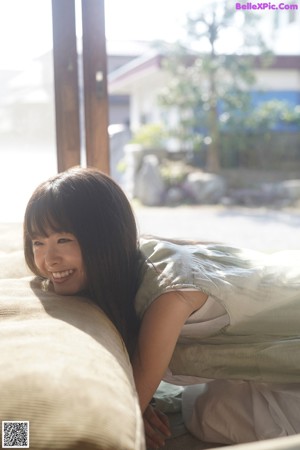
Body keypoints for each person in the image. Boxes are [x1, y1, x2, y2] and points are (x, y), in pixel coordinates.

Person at [23, 167, 300, 449]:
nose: (49, 260)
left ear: (104, 238)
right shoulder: (129, 266)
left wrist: (140, 405)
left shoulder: (167, 293)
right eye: (38, 242)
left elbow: (131, 404)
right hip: (266, 342)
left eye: (63, 240)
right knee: (206, 410)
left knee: (216, 417)